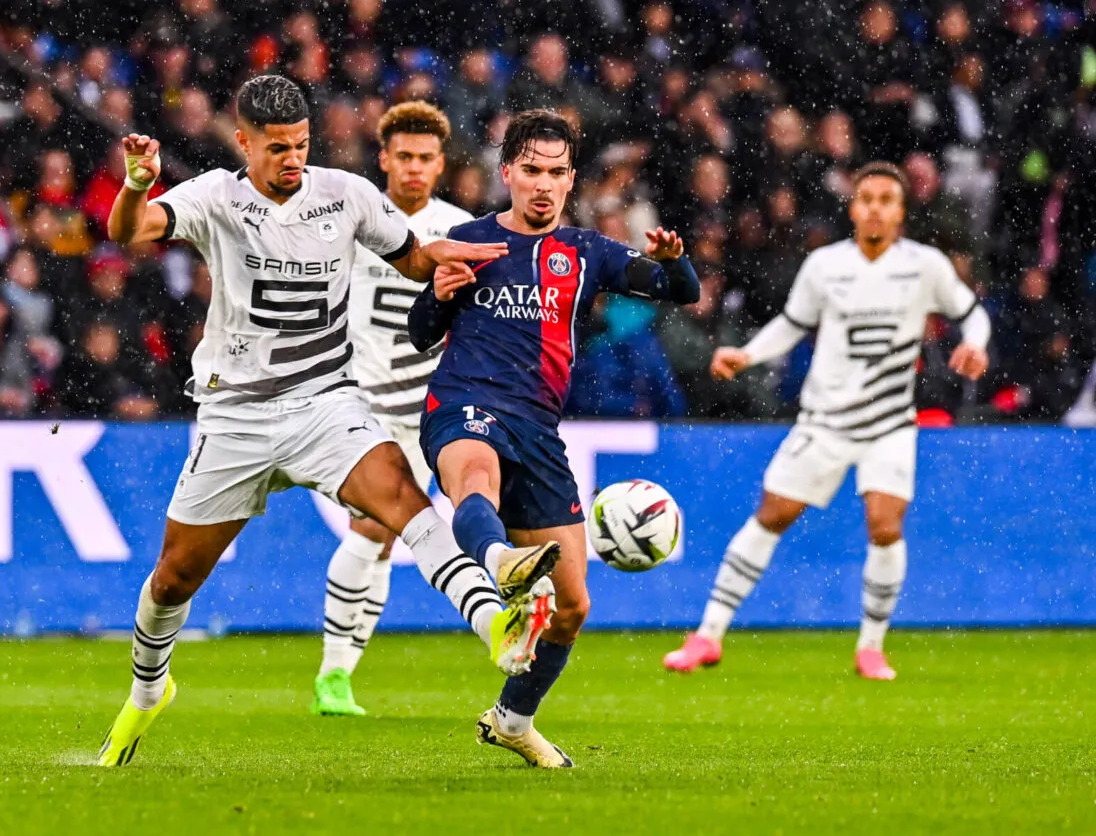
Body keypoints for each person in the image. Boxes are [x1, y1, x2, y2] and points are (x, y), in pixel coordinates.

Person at [95, 75, 558, 767]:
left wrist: (449, 264)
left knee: (403, 503)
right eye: (277, 147)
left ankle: (497, 624)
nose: (292, 159)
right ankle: (147, 689)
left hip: (325, 403)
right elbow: (129, 230)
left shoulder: (344, 195)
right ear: (244, 142)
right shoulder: (215, 196)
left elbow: (411, 257)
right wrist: (136, 184)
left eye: (302, 145)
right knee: (172, 579)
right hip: (235, 416)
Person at [407, 109, 701, 767]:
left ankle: (513, 718)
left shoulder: (589, 252)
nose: (542, 184)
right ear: (507, 172)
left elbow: (684, 291)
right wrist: (439, 292)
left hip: (537, 427)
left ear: (571, 181)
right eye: (531, 170)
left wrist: (674, 262)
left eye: (556, 173)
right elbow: (420, 331)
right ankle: (501, 563)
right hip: (463, 402)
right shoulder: (468, 237)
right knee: (473, 479)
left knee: (572, 605)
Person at [664, 162, 991, 681]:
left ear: (901, 211)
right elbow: (793, 324)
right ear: (853, 207)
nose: (876, 207)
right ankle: (707, 636)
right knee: (771, 514)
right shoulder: (824, 265)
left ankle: (871, 646)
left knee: (885, 525)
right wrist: (747, 355)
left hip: (889, 422)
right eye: (867, 198)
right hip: (825, 420)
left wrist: (975, 343)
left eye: (887, 198)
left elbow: (972, 311)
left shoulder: (925, 265)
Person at [311, 101, 472, 717]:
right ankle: (332, 674)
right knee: (375, 529)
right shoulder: (349, 219)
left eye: (425, 158)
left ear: (439, 164)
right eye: (403, 156)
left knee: (384, 540)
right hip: (347, 400)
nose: (413, 168)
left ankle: (339, 677)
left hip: (418, 413)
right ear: (383, 159)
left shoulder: (460, 230)